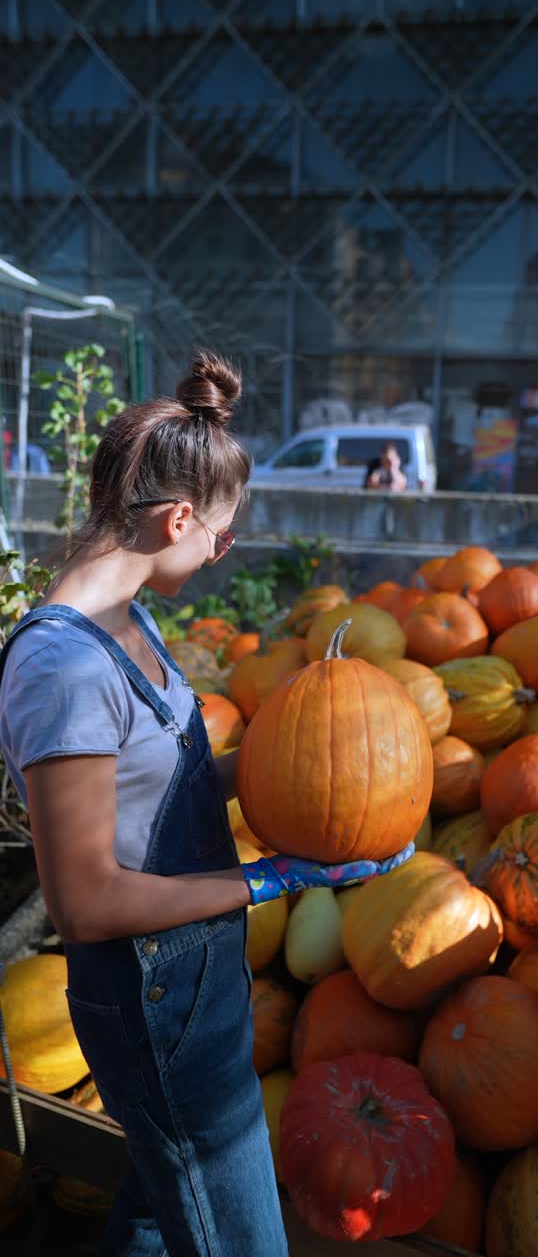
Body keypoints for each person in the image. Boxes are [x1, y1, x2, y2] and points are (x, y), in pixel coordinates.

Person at [0, 351, 413, 1257]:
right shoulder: (62, 668)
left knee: (157, 1213)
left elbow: (165, 788)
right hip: (150, 994)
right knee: (238, 1241)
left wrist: (310, 766)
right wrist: (274, 880)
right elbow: (85, 902)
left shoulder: (132, 619)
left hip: (193, 975)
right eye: (223, 536)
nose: (223, 554)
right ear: (178, 517)